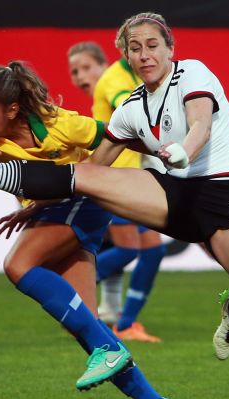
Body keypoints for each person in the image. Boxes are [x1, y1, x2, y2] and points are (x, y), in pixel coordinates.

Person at [0, 12, 229, 362]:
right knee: (86, 176)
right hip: (171, 195)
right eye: (135, 48)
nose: (145, 54)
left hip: (226, 190)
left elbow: (201, 125)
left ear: (169, 49)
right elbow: (89, 170)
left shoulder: (192, 72)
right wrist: (37, 206)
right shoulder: (130, 110)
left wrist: (183, 152)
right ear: (126, 57)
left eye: (152, 45)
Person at [0, 61, 186, 399]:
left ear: (12, 110)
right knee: (88, 330)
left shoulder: (59, 124)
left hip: (84, 201)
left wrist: (172, 150)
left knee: (18, 264)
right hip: (54, 211)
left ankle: (116, 357)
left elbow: (114, 136)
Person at [67, 41, 166, 343]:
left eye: (85, 67)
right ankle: (70, 297)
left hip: (131, 177)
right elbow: (130, 109)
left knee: (153, 249)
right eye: (75, 71)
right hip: (113, 179)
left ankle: (124, 324)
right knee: (127, 249)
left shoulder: (129, 77)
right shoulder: (113, 81)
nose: (81, 76)